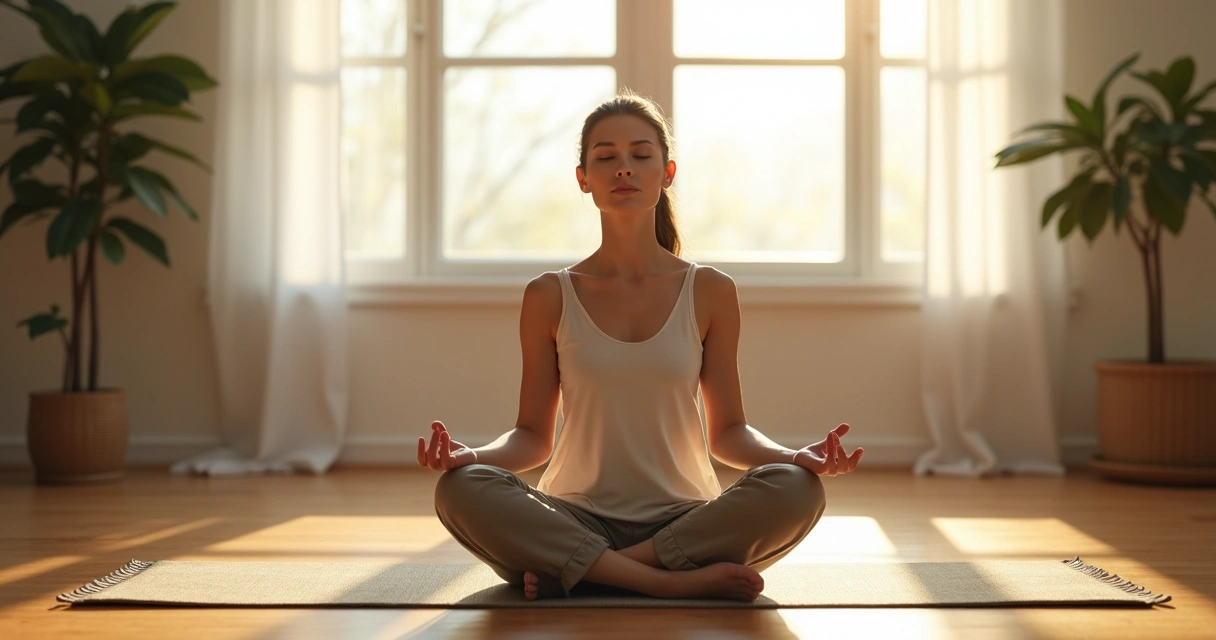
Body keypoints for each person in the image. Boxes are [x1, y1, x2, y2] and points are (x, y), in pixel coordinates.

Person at [417, 89, 863, 602]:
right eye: (605, 157)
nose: (623, 168)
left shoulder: (711, 291)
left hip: (685, 519)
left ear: (667, 172)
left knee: (796, 488)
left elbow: (730, 433)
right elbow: (531, 437)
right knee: (461, 488)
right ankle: (665, 583)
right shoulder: (548, 295)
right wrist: (470, 455)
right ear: (583, 178)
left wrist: (794, 457)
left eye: (640, 155)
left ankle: (592, 572)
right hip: (574, 516)